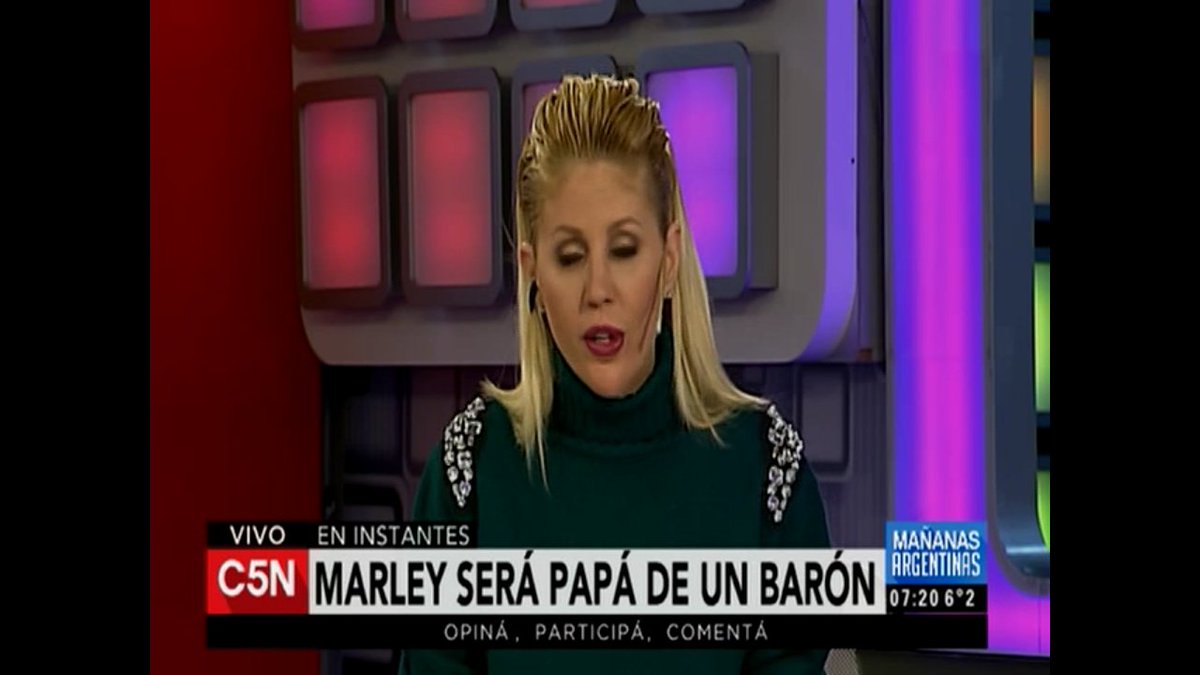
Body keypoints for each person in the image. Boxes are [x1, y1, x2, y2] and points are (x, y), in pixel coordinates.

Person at [401, 74, 830, 675]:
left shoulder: (764, 473)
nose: (598, 290)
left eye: (624, 250)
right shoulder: (468, 475)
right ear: (532, 271)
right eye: (570, 257)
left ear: (669, 258)